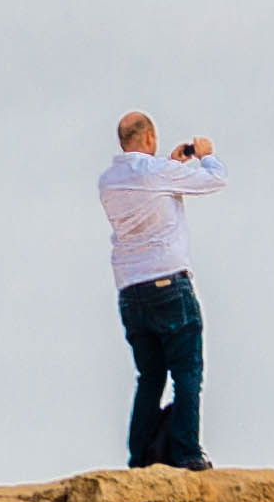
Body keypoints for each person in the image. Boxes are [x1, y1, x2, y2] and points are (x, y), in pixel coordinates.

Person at [95, 113, 224, 469]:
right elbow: (216, 179)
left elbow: (147, 185)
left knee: (150, 377)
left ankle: (139, 460)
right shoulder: (159, 175)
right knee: (187, 371)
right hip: (168, 282)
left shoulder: (108, 181)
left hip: (131, 291)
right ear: (149, 136)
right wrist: (205, 153)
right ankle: (186, 454)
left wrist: (170, 164)